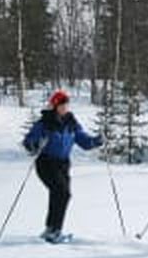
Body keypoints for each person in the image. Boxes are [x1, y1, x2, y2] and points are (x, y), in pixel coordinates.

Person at [23, 90, 103, 243]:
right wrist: (35, 145)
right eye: (62, 105)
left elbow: (83, 141)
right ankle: (54, 231)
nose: (65, 107)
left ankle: (51, 229)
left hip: (63, 164)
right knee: (61, 192)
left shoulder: (71, 123)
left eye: (66, 104)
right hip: (46, 163)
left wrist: (96, 141)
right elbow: (29, 141)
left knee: (61, 194)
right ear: (55, 106)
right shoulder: (45, 123)